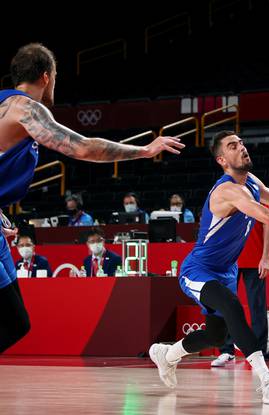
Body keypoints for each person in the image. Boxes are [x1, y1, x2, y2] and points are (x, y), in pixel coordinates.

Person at [0, 43, 183, 354]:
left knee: (15, 322)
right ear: (46, 77)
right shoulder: (27, 109)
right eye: (56, 76)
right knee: (13, 320)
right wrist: (145, 150)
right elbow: (83, 148)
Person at [148, 131, 269, 405]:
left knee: (216, 334)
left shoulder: (251, 182)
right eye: (233, 146)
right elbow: (267, 216)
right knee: (232, 305)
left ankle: (168, 355)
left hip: (226, 271)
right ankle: (267, 380)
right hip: (198, 270)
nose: (242, 148)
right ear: (223, 160)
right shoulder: (227, 190)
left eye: (243, 143)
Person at [212, 221, 269, 366]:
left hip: (255, 258)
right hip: (229, 260)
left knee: (257, 306)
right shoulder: (230, 198)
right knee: (225, 304)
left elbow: (268, 226)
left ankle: (258, 351)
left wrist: (266, 257)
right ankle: (226, 350)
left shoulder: (262, 199)